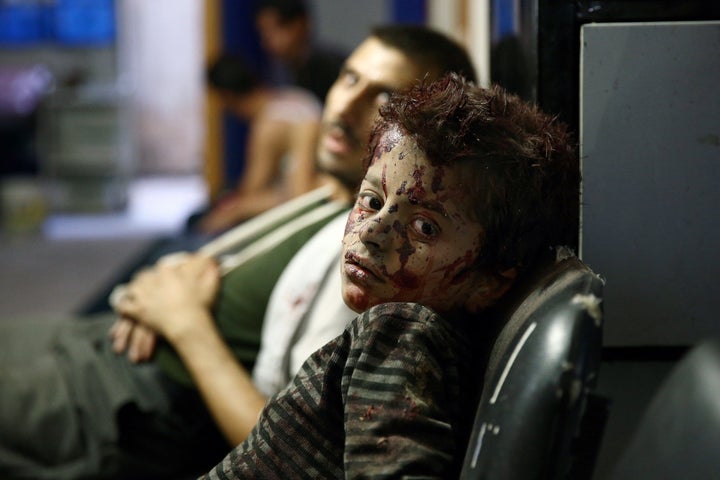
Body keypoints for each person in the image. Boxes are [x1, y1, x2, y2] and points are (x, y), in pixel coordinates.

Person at [0, 26, 476, 480]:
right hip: (100, 343)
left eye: (384, 97)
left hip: (122, 398)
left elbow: (289, 446)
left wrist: (183, 319)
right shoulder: (333, 197)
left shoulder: (371, 254)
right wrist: (174, 278)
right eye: (350, 78)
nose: (346, 106)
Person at [198, 73, 579, 478]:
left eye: (425, 228)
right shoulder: (427, 338)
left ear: (489, 282)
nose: (373, 232)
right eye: (372, 200)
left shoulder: (401, 331)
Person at [194, 53, 325, 234]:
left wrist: (231, 208)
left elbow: (253, 188)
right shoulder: (295, 96)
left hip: (303, 202)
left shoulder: (269, 123)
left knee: (220, 216)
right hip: (314, 189)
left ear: (226, 96)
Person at [254, 0, 346, 102]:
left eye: (274, 30)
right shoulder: (279, 72)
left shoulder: (329, 67)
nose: (267, 41)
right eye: (264, 33)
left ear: (299, 24)